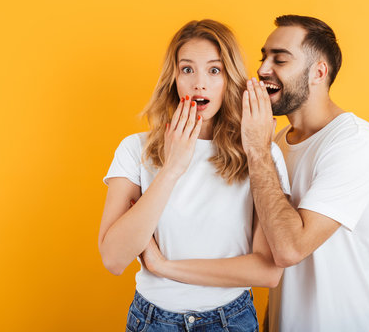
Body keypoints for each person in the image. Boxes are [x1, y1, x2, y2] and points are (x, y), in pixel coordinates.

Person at [98, 19, 290, 332]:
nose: (199, 83)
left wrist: (163, 267)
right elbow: (113, 258)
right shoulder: (135, 149)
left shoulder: (259, 154)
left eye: (214, 70)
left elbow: (266, 272)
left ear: (229, 78)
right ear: (173, 77)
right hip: (152, 321)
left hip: (230, 321)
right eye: (187, 69)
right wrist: (172, 169)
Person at [240, 15, 369, 331]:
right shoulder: (277, 143)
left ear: (319, 72)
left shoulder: (354, 142)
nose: (262, 69)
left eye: (279, 59)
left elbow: (291, 248)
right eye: (263, 57)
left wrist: (256, 151)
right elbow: (274, 254)